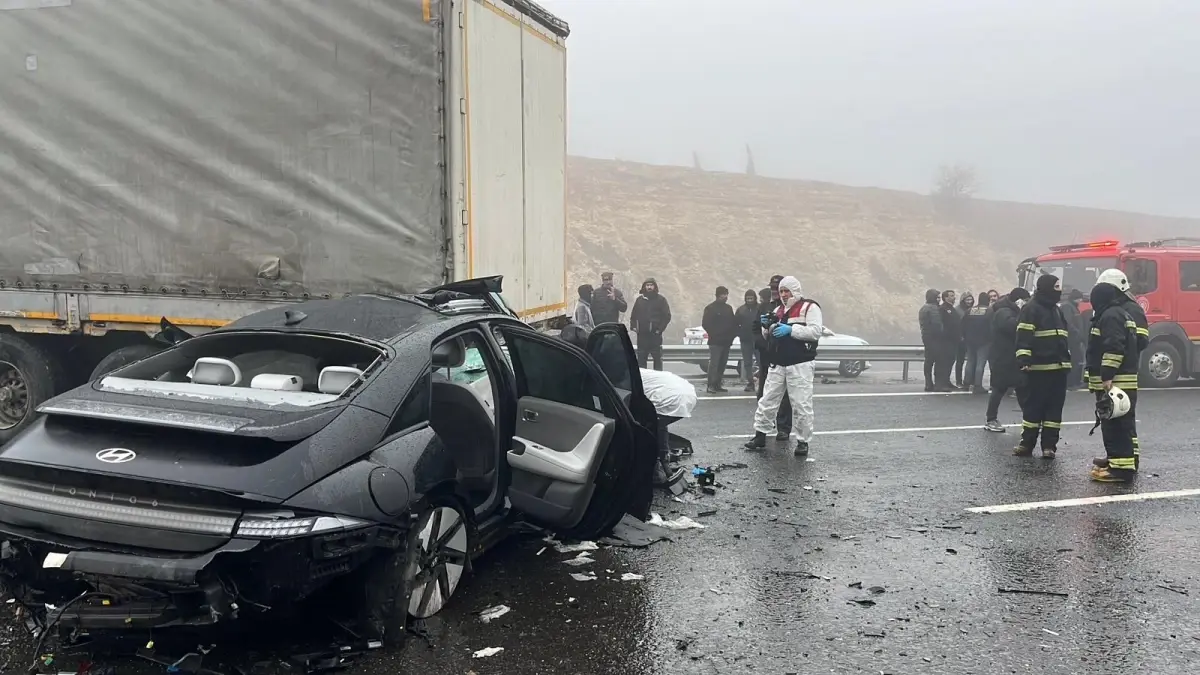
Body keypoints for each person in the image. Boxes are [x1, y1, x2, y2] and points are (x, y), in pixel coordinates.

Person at [743, 276, 823, 456]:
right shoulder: (778, 310)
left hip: (800, 363)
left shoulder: (809, 308)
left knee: (801, 404)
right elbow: (767, 336)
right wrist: (766, 327)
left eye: (787, 291)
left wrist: (791, 330)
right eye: (781, 291)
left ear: (795, 290)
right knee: (767, 400)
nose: (784, 295)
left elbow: (815, 332)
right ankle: (760, 435)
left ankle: (803, 441)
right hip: (778, 363)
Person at [1086, 280, 1141, 482]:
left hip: (1116, 381)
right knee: (1120, 425)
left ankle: (1120, 469)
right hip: (1122, 380)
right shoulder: (1118, 313)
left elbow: (1114, 347)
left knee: (1116, 426)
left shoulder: (1110, 316)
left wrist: (1107, 375)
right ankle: (1120, 461)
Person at [1012, 274, 1072, 458]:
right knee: (1033, 408)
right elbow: (1023, 336)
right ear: (1046, 287)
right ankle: (1027, 444)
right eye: (1056, 287)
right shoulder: (1031, 309)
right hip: (1039, 368)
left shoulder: (1056, 310)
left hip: (1059, 368)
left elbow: (1063, 335)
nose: (1059, 290)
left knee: (1054, 410)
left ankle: (1049, 446)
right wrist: (1024, 360)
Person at [1095, 268, 1149, 467]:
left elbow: (1141, 339)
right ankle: (1126, 457)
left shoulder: (1129, 309)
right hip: (1121, 368)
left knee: (1121, 420)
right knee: (1123, 420)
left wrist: (1124, 357)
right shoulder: (1118, 308)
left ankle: (1125, 460)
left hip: (1121, 372)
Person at [983, 287, 1031, 432]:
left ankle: (1029, 419)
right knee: (999, 388)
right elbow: (1014, 328)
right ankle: (991, 419)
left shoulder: (1009, 311)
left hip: (1012, 356)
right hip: (1002, 357)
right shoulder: (1004, 312)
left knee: (1022, 388)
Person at [639, 367, 694, 488]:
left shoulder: (622, 378)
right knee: (658, 426)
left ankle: (656, 471)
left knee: (648, 431)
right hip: (687, 393)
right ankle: (663, 465)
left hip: (669, 397)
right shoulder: (635, 371)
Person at [758, 277, 792, 439]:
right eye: (772, 288)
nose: (774, 291)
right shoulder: (765, 307)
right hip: (767, 355)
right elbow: (755, 330)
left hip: (785, 356)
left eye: (777, 288)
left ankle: (783, 428)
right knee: (765, 395)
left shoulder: (791, 308)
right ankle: (762, 430)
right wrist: (763, 340)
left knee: (785, 396)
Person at [701, 286, 737, 394]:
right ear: (718, 295)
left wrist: (731, 336)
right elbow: (706, 324)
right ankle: (710, 385)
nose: (725, 297)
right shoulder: (710, 308)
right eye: (723, 294)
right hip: (715, 342)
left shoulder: (728, 308)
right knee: (714, 364)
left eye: (726, 294)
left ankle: (718, 384)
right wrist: (715, 334)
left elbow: (733, 323)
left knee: (722, 364)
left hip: (726, 342)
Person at [630, 278, 671, 370]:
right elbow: (633, 315)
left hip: (655, 336)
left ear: (655, 287)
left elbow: (667, 316)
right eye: (647, 285)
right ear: (644, 287)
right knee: (641, 361)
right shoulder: (639, 300)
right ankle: (642, 381)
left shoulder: (661, 300)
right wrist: (633, 326)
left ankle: (658, 379)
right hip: (642, 336)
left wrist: (659, 330)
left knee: (657, 360)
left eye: (651, 285)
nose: (649, 287)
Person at [961, 291, 991, 394]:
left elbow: (963, 325)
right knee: (980, 363)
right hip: (984, 341)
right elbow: (992, 326)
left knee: (970, 361)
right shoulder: (989, 311)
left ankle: (966, 383)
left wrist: (965, 337)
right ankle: (977, 385)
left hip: (970, 340)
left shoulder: (970, 310)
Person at [735, 289, 761, 392]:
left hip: (758, 340)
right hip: (745, 340)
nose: (749, 300)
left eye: (751, 298)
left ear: (755, 298)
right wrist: (740, 333)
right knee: (747, 363)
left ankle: (761, 381)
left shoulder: (760, 308)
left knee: (760, 362)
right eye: (748, 298)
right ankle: (750, 382)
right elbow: (735, 324)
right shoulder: (741, 310)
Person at [1061, 288, 1086, 390]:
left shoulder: (1073, 307)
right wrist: (1077, 333)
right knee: (1074, 361)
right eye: (1079, 299)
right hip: (1071, 339)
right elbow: (1068, 323)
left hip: (1076, 338)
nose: (1081, 301)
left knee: (1078, 360)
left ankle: (1076, 381)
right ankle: (1071, 383)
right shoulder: (1067, 307)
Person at [919, 289, 943, 392]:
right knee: (937, 361)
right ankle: (937, 383)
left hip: (926, 336)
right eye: (937, 297)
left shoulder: (923, 308)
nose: (939, 299)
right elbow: (937, 325)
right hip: (934, 338)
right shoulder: (934, 309)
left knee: (928, 361)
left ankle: (928, 383)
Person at [936, 289, 961, 391]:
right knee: (944, 362)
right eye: (951, 295)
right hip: (946, 340)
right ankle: (941, 384)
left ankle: (946, 381)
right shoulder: (943, 309)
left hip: (953, 340)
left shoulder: (951, 308)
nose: (954, 297)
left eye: (954, 295)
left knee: (950, 361)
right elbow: (943, 325)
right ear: (945, 297)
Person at [954, 291, 975, 387]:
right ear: (963, 300)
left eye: (971, 299)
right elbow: (955, 325)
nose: (969, 301)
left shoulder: (973, 309)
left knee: (972, 360)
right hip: (960, 339)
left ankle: (971, 380)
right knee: (960, 361)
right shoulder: (957, 310)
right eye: (967, 299)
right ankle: (958, 381)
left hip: (971, 338)